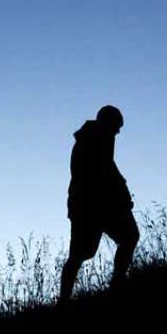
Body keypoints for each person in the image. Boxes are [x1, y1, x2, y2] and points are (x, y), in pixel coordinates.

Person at [60, 105, 139, 302]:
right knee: (80, 254)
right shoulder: (92, 140)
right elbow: (102, 173)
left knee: (129, 237)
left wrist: (121, 192)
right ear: (107, 123)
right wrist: (120, 193)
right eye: (116, 127)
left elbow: (109, 170)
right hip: (90, 206)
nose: (118, 132)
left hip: (100, 205)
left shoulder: (98, 138)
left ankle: (117, 283)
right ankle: (64, 300)